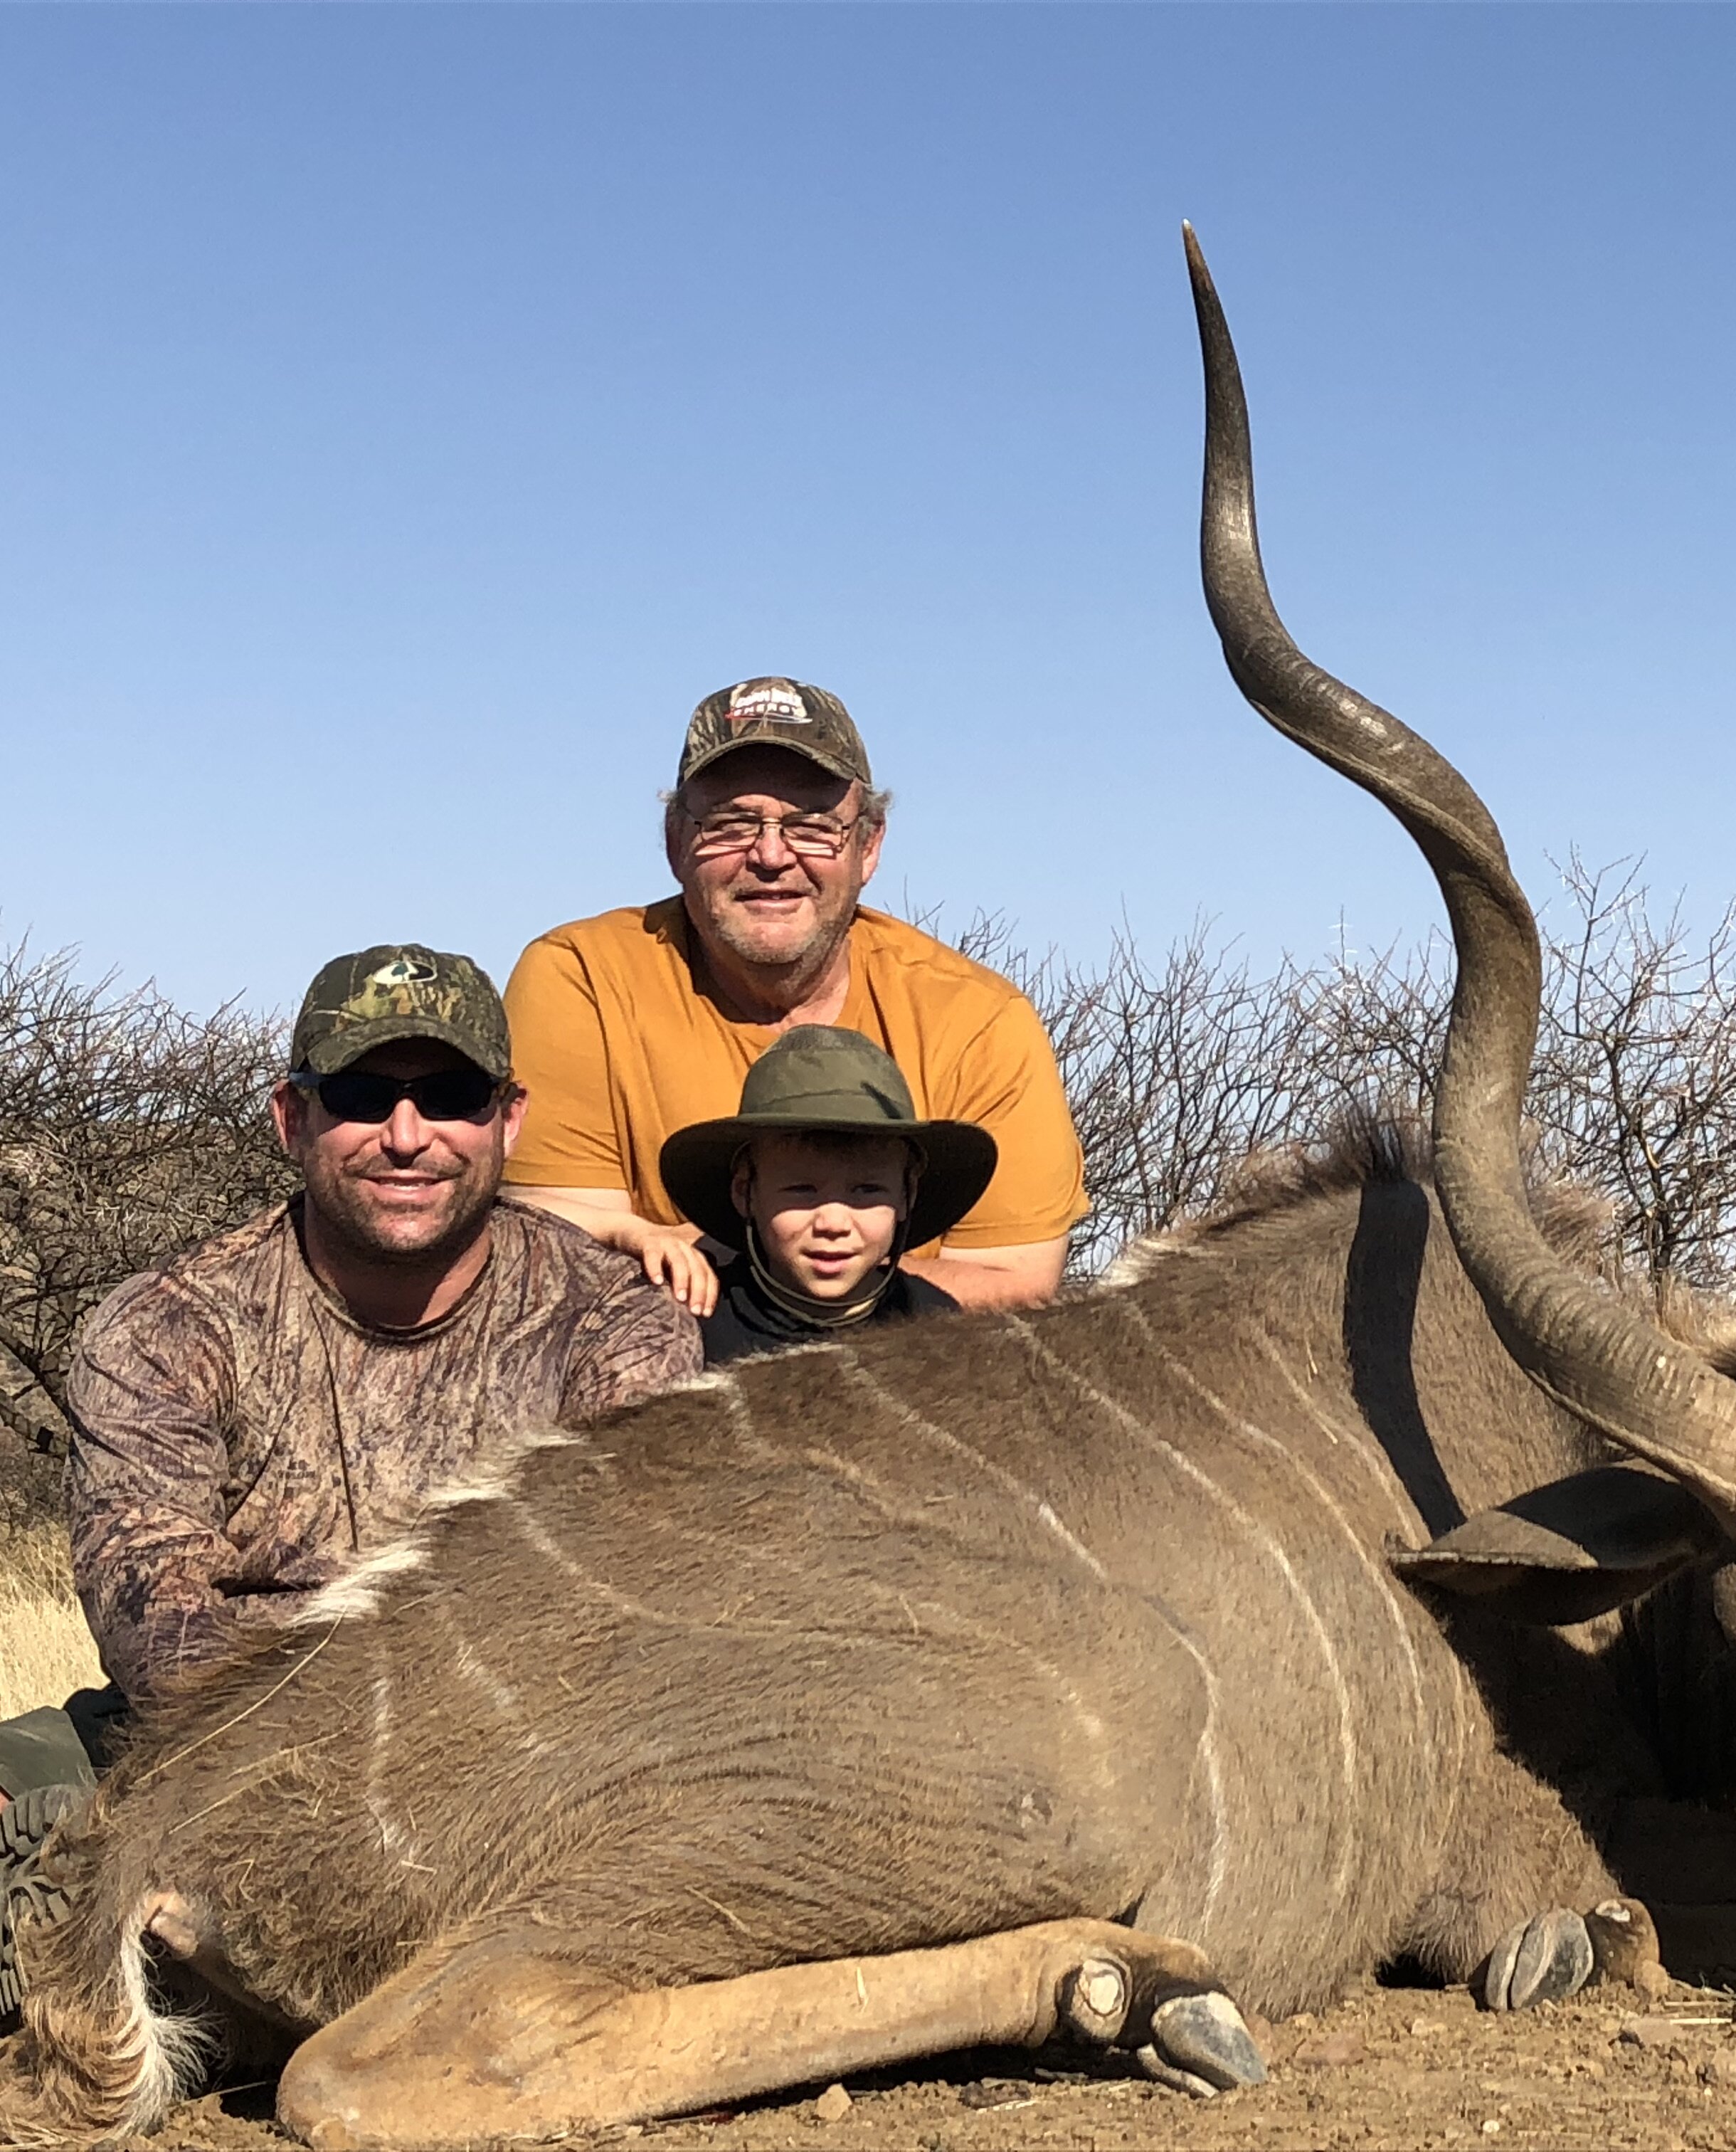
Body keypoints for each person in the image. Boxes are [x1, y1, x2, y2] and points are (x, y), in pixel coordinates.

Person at [0, 946, 702, 2020]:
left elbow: (612, 1624)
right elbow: (159, 1632)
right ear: (292, 1119)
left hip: (513, 1771)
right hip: (230, 1752)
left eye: (453, 1097)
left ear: (508, 1121)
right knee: (30, 1783)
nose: (409, 1137)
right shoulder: (164, 1326)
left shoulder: (616, 1321)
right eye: (365, 1097)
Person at [502, 677, 1086, 1318]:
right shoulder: (581, 978)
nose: (772, 855)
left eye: (812, 826)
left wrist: (751, 1277)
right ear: (675, 842)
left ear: (868, 847)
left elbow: (1015, 1283)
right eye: (729, 823)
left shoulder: (979, 1020)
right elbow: (564, 1256)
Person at [663, 1025, 998, 1366]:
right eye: (801, 1190)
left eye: (867, 1191)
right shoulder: (693, 1319)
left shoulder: (942, 1327)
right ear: (745, 1192)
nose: (834, 1223)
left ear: (907, 1194)